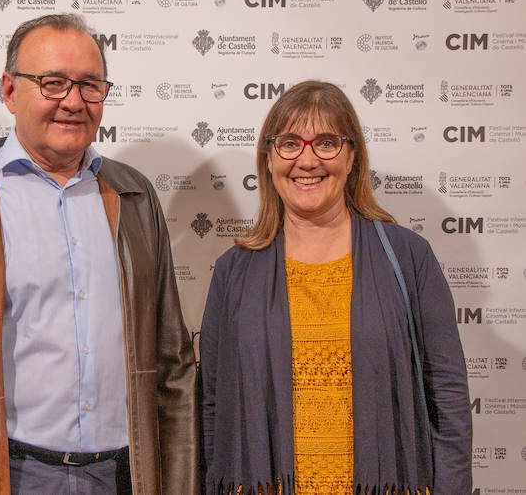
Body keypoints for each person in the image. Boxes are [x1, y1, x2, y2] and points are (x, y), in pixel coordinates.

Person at [0, 13, 198, 495]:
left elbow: (173, 364)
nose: (73, 102)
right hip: (10, 474)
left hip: (127, 474)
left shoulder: (135, 197)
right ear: (11, 92)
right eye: (53, 83)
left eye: (89, 85)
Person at [200, 81, 471, 494]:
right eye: (290, 143)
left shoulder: (408, 257)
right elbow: (213, 406)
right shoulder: (232, 271)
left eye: (326, 142)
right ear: (269, 158)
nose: (307, 160)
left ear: (352, 156)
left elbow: (448, 400)